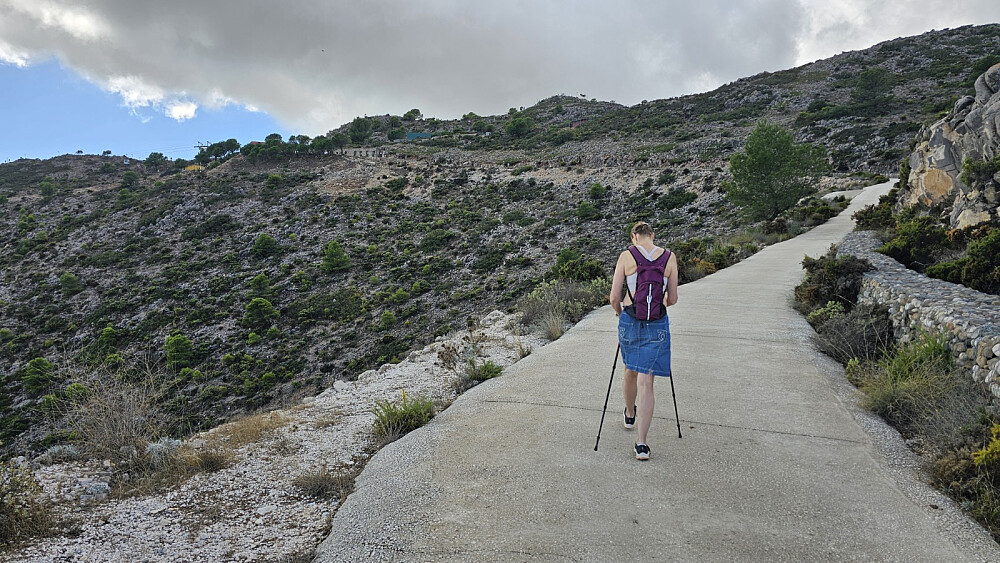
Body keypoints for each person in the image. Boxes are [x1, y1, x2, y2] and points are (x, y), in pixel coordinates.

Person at [609, 221, 679, 460]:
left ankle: (630, 414)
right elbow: (674, 299)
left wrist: (621, 312)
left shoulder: (627, 256)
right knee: (647, 381)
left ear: (634, 237)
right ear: (653, 235)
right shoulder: (669, 257)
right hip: (657, 323)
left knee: (630, 370)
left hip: (630, 320)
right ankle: (642, 444)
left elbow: (613, 297)